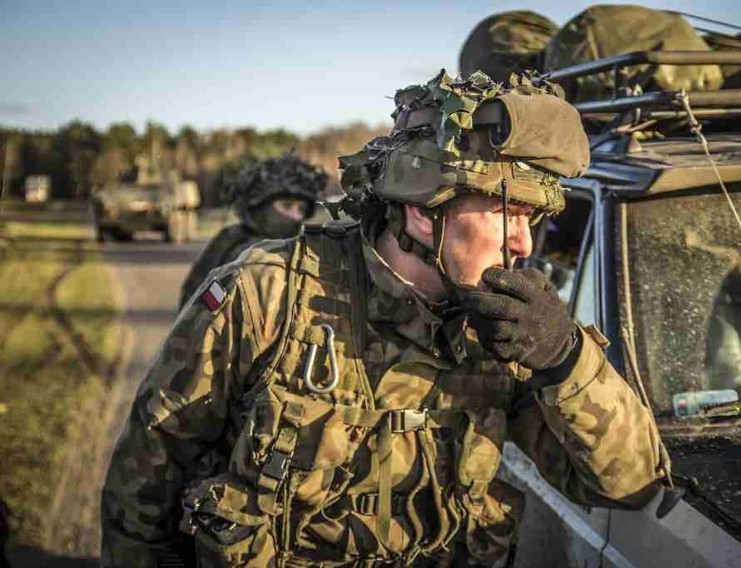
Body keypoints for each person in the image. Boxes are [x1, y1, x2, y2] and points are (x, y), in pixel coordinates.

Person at [101, 70, 669, 567]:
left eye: (535, 218)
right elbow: (144, 483)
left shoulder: (507, 328)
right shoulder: (267, 293)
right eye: (509, 214)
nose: (524, 243)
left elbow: (631, 482)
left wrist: (566, 361)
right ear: (424, 213)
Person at [178, 151, 326, 308]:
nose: (295, 216)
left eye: (301, 209)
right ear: (262, 205)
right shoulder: (231, 241)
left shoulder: (304, 251)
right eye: (287, 205)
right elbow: (196, 301)